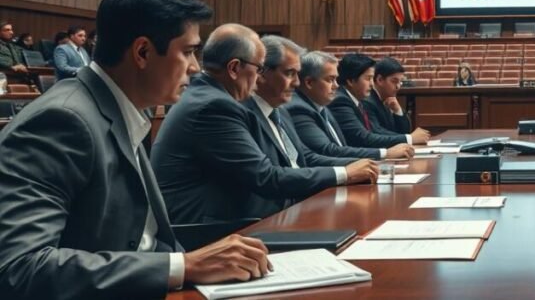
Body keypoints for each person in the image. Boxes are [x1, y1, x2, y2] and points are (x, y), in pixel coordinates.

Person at [0, 0, 270, 299]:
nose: (196, 68)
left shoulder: (124, 107)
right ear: (142, 52)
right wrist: (183, 266)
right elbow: (20, 268)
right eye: (188, 52)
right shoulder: (63, 121)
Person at [152, 26, 378, 225]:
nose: (259, 78)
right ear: (234, 69)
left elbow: (300, 161)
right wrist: (344, 174)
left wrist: (353, 169)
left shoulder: (214, 97)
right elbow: (265, 177)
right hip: (215, 231)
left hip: (250, 218)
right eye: (259, 69)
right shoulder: (215, 106)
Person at [285, 51, 414, 160]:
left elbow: (373, 132)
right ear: (308, 82)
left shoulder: (323, 105)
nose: (336, 85)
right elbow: (328, 151)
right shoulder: (305, 107)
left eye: (336, 79)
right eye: (330, 80)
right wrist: (386, 153)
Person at [329, 53, 429, 147]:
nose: (372, 84)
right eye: (368, 79)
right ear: (351, 81)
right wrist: (409, 138)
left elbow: (378, 132)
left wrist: (398, 112)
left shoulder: (358, 99)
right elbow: (365, 137)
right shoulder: (342, 101)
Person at [364, 57, 431, 141]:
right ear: (379, 79)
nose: (398, 86)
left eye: (400, 82)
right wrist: (409, 138)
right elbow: (377, 133)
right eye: (394, 81)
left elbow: (404, 131)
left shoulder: (388, 100)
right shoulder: (367, 102)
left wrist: (397, 111)